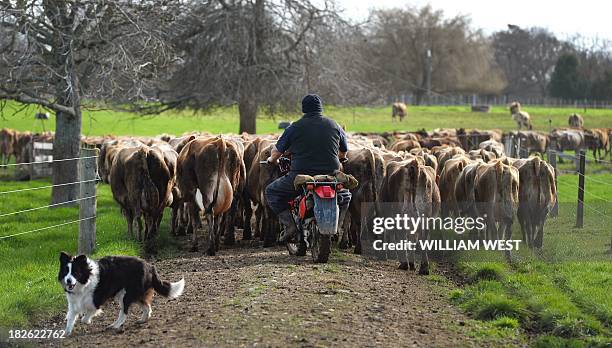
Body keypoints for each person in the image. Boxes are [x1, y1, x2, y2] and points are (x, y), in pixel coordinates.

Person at [265, 94, 349, 242]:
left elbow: (277, 151)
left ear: (304, 109)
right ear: (320, 108)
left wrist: (271, 159)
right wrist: (341, 158)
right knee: (345, 196)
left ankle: (290, 225)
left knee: (271, 191)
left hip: (301, 175)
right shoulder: (334, 125)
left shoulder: (294, 127)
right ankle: (339, 224)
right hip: (330, 175)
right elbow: (343, 151)